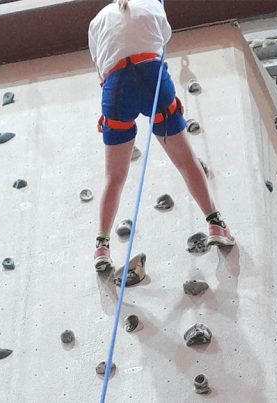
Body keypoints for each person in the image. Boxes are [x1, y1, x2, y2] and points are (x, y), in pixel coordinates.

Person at [88, 0, 235, 272]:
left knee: (114, 177)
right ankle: (216, 224)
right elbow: (163, 41)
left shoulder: (98, 20)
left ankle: (101, 246)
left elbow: (100, 63)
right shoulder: (153, 6)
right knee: (185, 161)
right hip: (151, 75)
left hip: (115, 86)